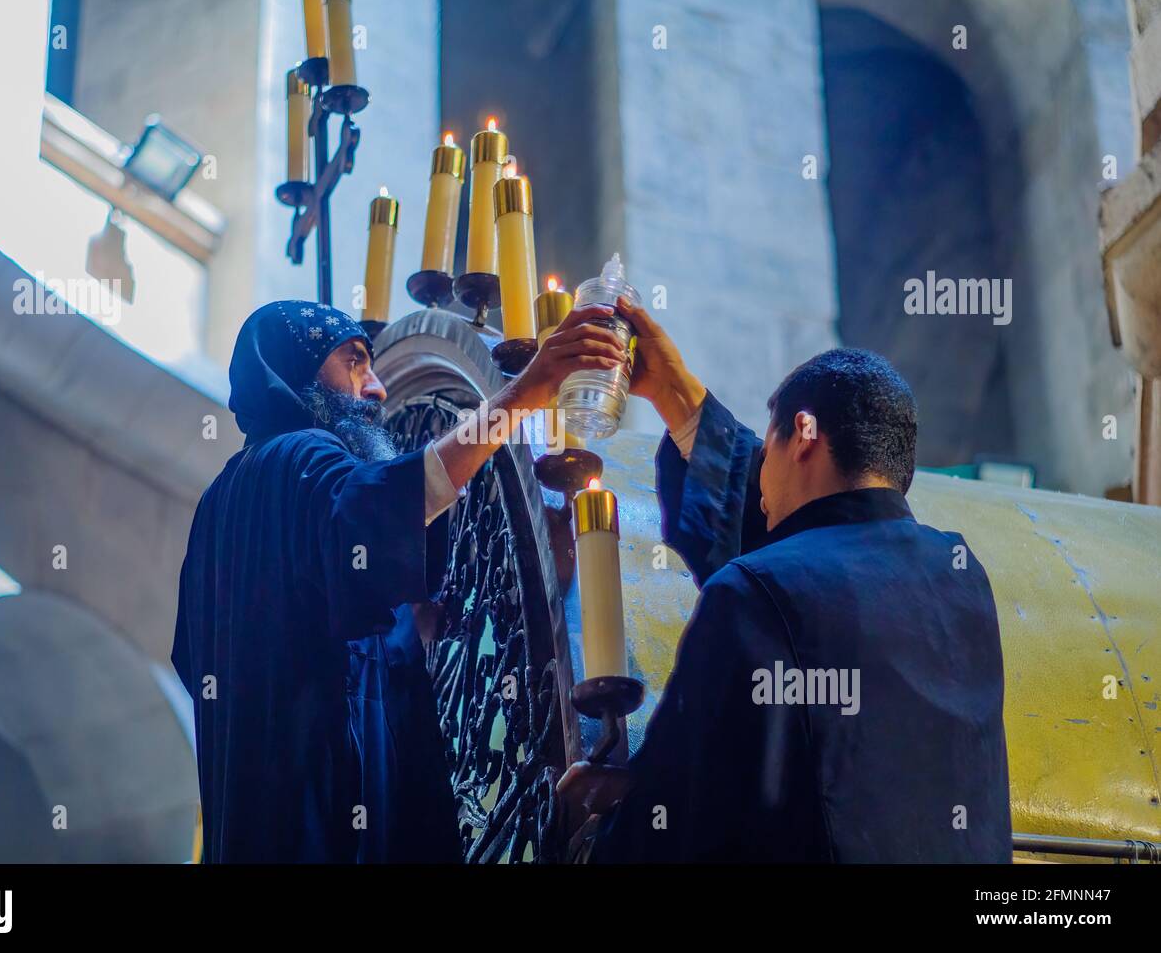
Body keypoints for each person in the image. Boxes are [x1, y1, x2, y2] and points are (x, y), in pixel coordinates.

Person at [560, 298, 1012, 862]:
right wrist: (675, 395)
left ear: (803, 432)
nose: (761, 491)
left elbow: (680, 812)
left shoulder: (749, 595)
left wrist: (604, 818)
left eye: (767, 447)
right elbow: (820, 562)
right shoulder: (962, 579)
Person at [173, 300, 625, 862]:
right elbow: (376, 509)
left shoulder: (225, 504)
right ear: (295, 370)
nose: (377, 388)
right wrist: (519, 398)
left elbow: (317, 631)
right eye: (355, 362)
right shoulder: (299, 455)